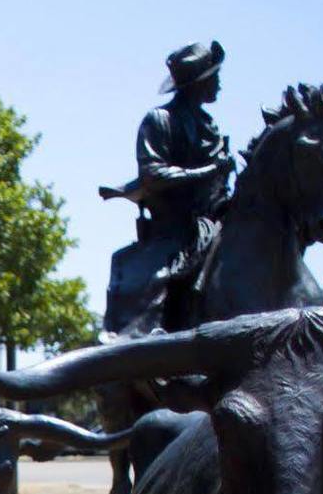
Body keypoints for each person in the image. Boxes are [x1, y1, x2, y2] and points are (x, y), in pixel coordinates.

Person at [101, 41, 235, 335]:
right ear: (200, 83)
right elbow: (153, 174)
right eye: (215, 77)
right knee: (158, 281)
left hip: (215, 224)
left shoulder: (209, 126)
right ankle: (141, 342)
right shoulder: (160, 120)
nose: (220, 85)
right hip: (174, 230)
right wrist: (208, 171)